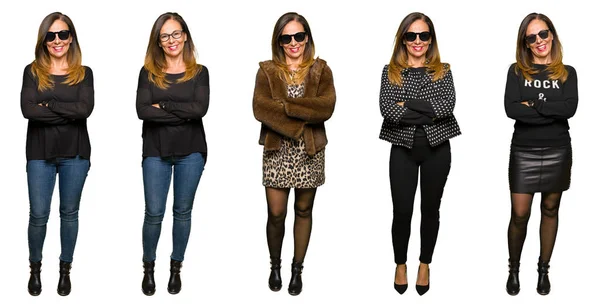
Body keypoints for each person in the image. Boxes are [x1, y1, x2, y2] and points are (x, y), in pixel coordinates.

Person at [252, 12, 336, 296]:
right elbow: (260, 109)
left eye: (298, 36)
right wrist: (302, 112)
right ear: (279, 41)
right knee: (276, 214)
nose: (293, 43)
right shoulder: (267, 70)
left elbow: (326, 108)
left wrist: (284, 107)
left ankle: (297, 269)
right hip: (277, 151)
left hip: (309, 151)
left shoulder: (321, 70)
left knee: (303, 210)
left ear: (307, 37)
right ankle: (274, 265)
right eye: (286, 37)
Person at [379, 12, 460, 296]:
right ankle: (400, 263)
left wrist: (408, 103)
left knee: (430, 209)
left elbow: (447, 107)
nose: (417, 41)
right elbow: (388, 111)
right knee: (401, 211)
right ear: (403, 39)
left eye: (423, 35)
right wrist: (426, 108)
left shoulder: (443, 70)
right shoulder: (390, 71)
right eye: (411, 35)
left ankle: (425, 263)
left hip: (437, 150)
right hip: (402, 149)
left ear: (430, 39)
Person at [136, 12, 209, 296]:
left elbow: (200, 110)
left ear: (185, 35)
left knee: (182, 212)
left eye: (176, 33)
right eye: (165, 35)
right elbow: (142, 111)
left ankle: (176, 268)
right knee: (154, 213)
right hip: (155, 151)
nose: (171, 40)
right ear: (158, 40)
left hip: (191, 151)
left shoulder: (200, 72)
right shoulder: (148, 73)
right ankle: (149, 268)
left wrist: (162, 106)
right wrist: (181, 111)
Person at [21, 12, 94, 297]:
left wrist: (47, 104)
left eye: (62, 34)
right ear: (43, 40)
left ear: (71, 37)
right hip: (39, 153)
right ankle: (35, 270)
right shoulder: (32, 71)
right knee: (38, 215)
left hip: (75, 154)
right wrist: (66, 111)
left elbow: (85, 110)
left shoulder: (84, 73)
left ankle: (65, 270)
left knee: (69, 214)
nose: (57, 40)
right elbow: (28, 110)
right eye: (50, 35)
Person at [504, 12, 577, 296]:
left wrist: (532, 102)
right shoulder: (516, 71)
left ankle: (543, 269)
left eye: (543, 34)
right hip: (524, 149)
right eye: (531, 37)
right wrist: (549, 106)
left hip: (558, 148)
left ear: (552, 35)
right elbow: (512, 110)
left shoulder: (568, 72)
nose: (539, 41)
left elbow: (569, 109)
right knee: (519, 213)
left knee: (550, 209)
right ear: (525, 42)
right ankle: (513, 268)